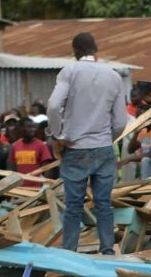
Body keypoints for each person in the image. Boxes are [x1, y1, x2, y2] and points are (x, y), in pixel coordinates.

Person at [47, 30, 130, 253]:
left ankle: (70, 253)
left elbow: (54, 106)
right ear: (96, 50)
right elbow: (121, 121)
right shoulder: (113, 76)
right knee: (104, 204)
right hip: (104, 148)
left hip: (75, 148)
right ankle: (108, 251)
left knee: (73, 206)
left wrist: (57, 135)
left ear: (75, 51)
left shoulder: (70, 71)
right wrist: (107, 139)